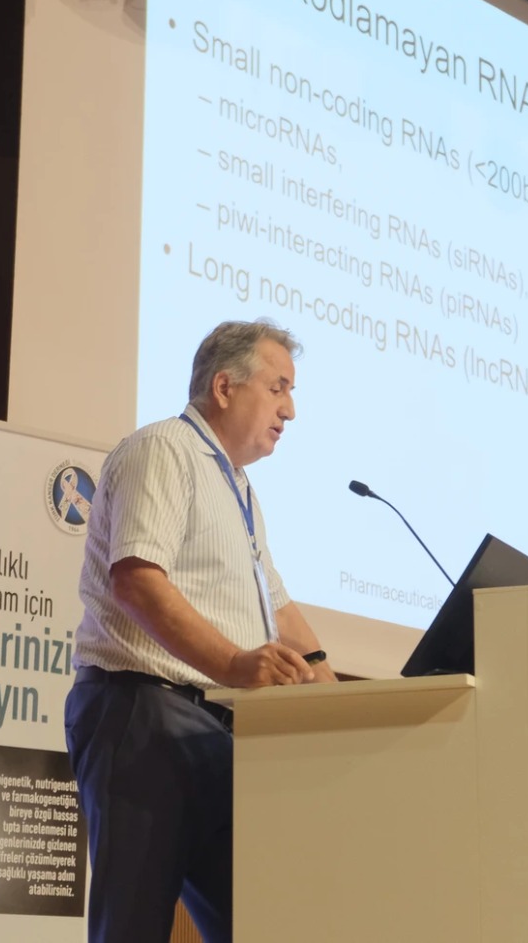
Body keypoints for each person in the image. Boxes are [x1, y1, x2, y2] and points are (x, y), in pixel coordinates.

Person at [65, 319, 335, 943]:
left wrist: (330, 687)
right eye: (278, 388)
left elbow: (277, 605)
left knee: (265, 925)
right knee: (132, 928)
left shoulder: (238, 488)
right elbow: (137, 580)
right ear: (224, 387)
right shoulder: (163, 450)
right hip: (143, 715)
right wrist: (236, 665)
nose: (290, 410)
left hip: (218, 733)